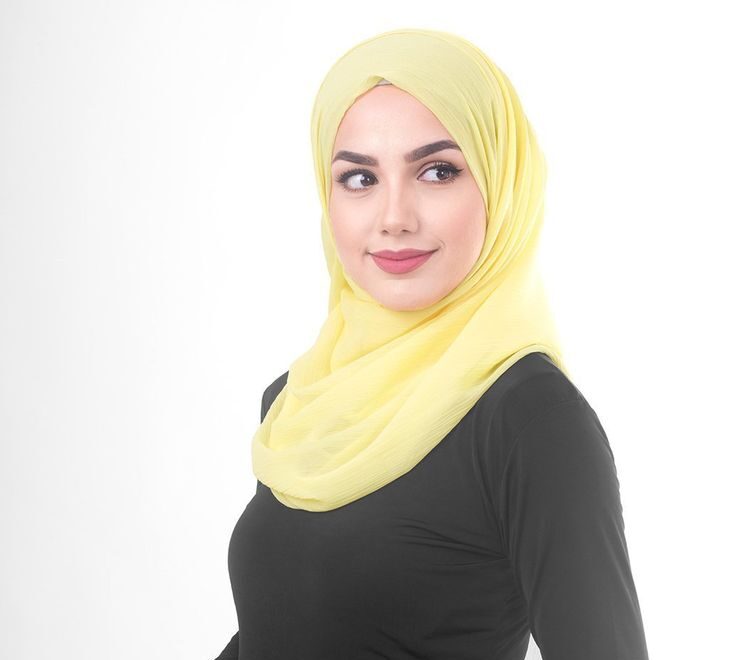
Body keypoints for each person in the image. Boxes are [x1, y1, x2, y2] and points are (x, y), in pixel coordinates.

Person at [212, 28, 649, 660]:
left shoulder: (532, 422)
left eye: (438, 171)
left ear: (501, 186)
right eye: (359, 178)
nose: (394, 217)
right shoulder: (299, 397)